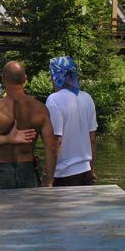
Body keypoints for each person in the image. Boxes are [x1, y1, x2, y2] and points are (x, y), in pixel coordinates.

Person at [0, 61, 56, 190]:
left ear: (3, 79)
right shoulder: (40, 109)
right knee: (27, 211)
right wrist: (48, 179)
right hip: (27, 172)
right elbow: (51, 148)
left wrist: (8, 139)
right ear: (25, 79)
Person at [46, 56, 98, 186]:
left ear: (56, 76)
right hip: (86, 171)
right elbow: (92, 140)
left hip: (64, 174)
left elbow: (56, 141)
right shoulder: (87, 98)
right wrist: (92, 170)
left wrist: (48, 178)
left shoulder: (54, 100)